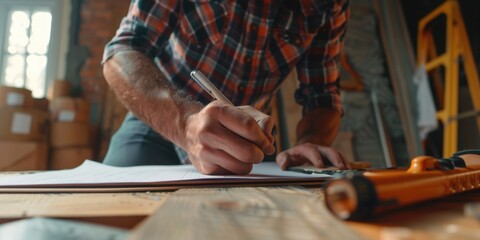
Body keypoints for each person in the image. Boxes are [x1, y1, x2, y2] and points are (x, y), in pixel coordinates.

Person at [102, 0, 351, 175]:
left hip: (249, 140)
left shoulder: (328, 4)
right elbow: (122, 51)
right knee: (109, 210)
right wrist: (186, 125)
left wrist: (312, 140)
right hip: (159, 121)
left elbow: (322, 94)